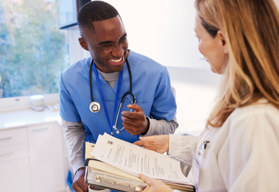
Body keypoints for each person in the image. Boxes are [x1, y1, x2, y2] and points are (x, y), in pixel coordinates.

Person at [134, 0, 279, 191]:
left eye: (199, 38)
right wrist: (172, 143)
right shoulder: (243, 107)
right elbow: (224, 151)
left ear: (223, 40)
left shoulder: (256, 119)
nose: (199, 48)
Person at [59, 1, 178, 191]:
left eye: (122, 39)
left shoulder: (155, 73)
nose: (118, 51)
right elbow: (73, 129)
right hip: (96, 175)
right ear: (84, 44)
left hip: (142, 177)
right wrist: (78, 168)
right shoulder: (69, 79)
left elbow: (171, 126)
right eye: (106, 45)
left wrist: (146, 126)